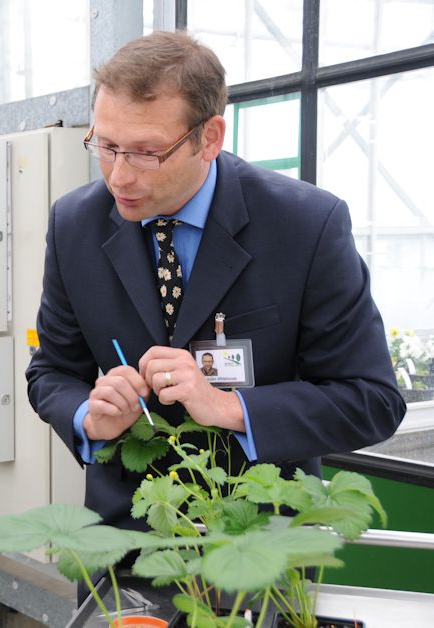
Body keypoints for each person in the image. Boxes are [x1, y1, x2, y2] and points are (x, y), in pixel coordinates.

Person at [26, 31, 405, 538]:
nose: (118, 177)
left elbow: (372, 399)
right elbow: (51, 370)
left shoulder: (306, 225)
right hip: (124, 534)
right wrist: (86, 416)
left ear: (210, 137)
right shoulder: (75, 224)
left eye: (145, 153)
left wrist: (229, 407)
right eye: (107, 146)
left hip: (263, 542)